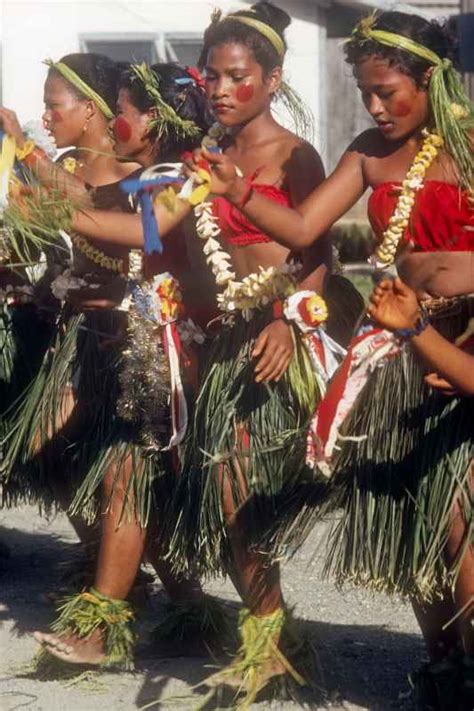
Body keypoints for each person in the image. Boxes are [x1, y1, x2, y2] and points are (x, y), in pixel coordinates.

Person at [190, 10, 473, 707]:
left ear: (429, 80)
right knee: (407, 509)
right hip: (400, 345)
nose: (376, 106)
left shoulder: (468, 147)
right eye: (366, 92)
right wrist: (239, 192)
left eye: (387, 91)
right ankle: (442, 664)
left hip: (463, 338)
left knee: (461, 522)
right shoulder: (369, 151)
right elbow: (307, 227)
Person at [156, 2, 363, 704]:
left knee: (236, 486)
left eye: (236, 76)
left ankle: (270, 633)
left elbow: (316, 248)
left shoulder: (293, 156)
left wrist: (289, 320)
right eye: (210, 74)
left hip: (282, 335)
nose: (218, 88)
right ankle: (266, 630)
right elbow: (169, 234)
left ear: (272, 80)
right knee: (221, 493)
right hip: (224, 338)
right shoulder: (204, 157)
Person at [2, 59, 215, 668]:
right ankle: (189, 611)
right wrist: (24, 152)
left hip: (159, 349)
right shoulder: (138, 171)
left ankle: (105, 625)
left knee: (126, 479)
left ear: (154, 121)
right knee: (110, 477)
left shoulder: (180, 175)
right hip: (111, 341)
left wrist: (47, 197)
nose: (117, 121)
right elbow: (84, 193)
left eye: (123, 110)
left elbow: (143, 230)